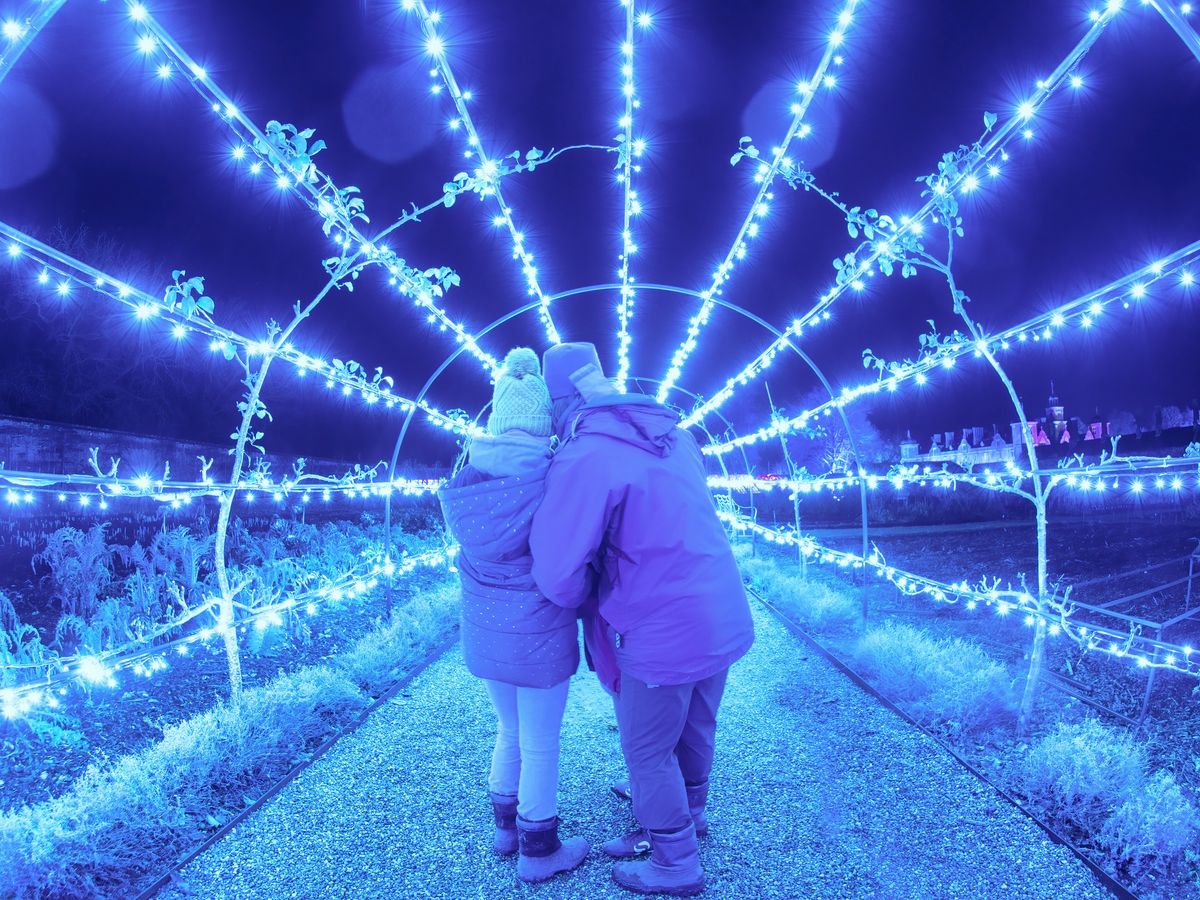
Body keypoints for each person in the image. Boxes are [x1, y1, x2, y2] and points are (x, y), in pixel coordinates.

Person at [529, 342, 754, 897]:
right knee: (697, 725)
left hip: (660, 627)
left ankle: (675, 861)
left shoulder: (585, 455)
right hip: (720, 609)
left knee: (647, 750)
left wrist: (590, 594)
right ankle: (688, 819)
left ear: (559, 402)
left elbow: (556, 569)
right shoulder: (674, 433)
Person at [437, 347, 589, 883]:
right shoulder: (555, 479)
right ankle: (539, 852)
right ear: (542, 420)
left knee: (507, 729)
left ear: (499, 418)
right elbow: (567, 562)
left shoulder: (468, 485)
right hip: (540, 635)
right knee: (540, 742)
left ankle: (505, 830)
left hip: (486, 639)